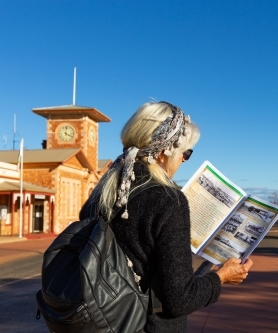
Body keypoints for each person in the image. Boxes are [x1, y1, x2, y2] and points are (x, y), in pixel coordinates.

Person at [79, 101, 253, 333]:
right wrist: (222, 276)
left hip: (96, 322)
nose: (183, 160)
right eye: (186, 153)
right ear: (164, 151)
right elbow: (180, 299)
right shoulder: (168, 201)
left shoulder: (101, 192)